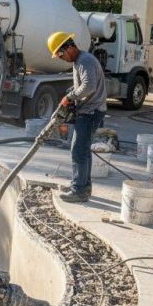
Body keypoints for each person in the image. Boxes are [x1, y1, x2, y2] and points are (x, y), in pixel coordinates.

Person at [47, 31, 107, 203]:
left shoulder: (85, 61)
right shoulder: (79, 61)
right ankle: (83, 187)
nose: (61, 58)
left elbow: (89, 87)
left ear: (69, 47)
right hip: (90, 110)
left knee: (78, 150)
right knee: (84, 150)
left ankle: (78, 190)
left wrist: (70, 97)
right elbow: (84, 86)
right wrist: (71, 94)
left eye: (60, 54)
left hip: (91, 112)